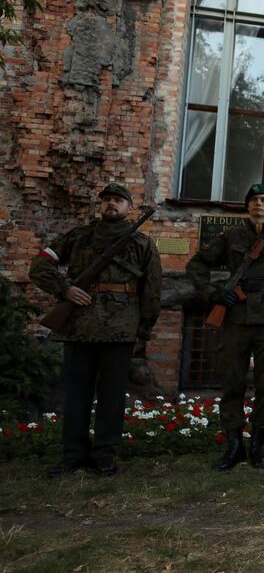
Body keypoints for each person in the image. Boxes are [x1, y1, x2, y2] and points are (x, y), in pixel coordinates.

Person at [29, 183, 162, 476]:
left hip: (120, 328)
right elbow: (39, 267)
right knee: (76, 393)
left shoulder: (142, 244)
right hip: (79, 326)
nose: (111, 204)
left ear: (129, 207)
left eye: (118, 200)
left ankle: (104, 454)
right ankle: (73, 454)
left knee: (113, 395)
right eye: (107, 200)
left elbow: (152, 291)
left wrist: (144, 330)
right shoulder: (79, 237)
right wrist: (64, 290)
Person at [186, 184, 264, 470]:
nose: (258, 204)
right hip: (234, 318)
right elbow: (197, 264)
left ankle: (258, 446)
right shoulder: (231, 237)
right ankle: (234, 445)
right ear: (246, 206)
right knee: (232, 382)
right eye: (253, 200)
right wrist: (212, 292)